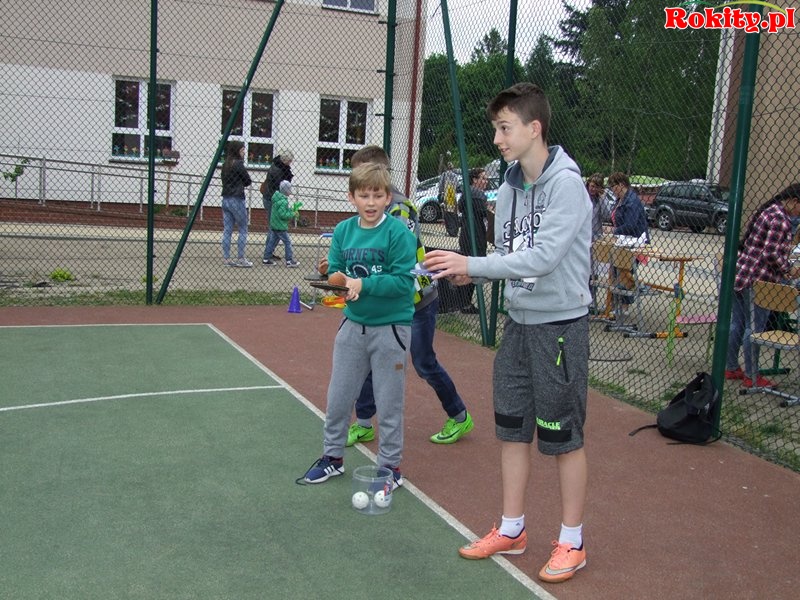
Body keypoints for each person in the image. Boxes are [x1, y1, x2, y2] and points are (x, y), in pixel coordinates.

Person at [424, 82, 592, 584]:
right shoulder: (511, 185)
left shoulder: (567, 185)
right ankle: (513, 529)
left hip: (559, 327)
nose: (497, 139)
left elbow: (544, 257)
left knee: (562, 437)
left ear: (533, 128)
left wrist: (473, 263)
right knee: (512, 428)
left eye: (504, 128)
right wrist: (473, 273)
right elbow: (512, 253)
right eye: (496, 129)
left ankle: (573, 541)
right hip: (519, 325)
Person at [320, 145, 475, 446]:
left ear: (380, 173)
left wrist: (361, 279)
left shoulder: (400, 210)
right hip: (380, 301)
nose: (359, 183)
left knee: (423, 362)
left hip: (415, 298)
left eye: (360, 172)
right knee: (368, 359)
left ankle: (459, 415)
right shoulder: (363, 214)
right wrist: (339, 271)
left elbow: (397, 266)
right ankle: (364, 422)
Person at [300, 163, 417, 488]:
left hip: (391, 329)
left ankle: (390, 468)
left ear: (388, 197)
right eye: (364, 195)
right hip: (353, 327)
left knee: (389, 403)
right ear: (351, 197)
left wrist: (362, 285)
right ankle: (332, 458)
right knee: (338, 397)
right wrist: (334, 279)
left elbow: (403, 283)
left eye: (377, 195)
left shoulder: (398, 234)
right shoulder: (342, 231)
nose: (370, 202)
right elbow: (337, 271)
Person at [725, 183, 800, 388]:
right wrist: (789, 269)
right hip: (759, 281)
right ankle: (752, 375)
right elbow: (771, 253)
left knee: (737, 323)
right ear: (794, 201)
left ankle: (731, 366)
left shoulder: (769, 211)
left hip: (742, 274)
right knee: (755, 329)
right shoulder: (781, 220)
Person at [457, 167, 490, 314]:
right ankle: (465, 303)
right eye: (482, 178)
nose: (485, 181)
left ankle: (464, 302)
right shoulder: (476, 194)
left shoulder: (467, 193)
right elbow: (485, 212)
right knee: (472, 269)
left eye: (486, 178)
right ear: (474, 180)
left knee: (468, 268)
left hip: (467, 235)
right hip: (475, 237)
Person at [220, 140, 253, 268]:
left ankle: (226, 258)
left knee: (227, 229)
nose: (244, 152)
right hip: (237, 198)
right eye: (242, 150)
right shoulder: (238, 164)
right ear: (237, 151)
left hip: (226, 198)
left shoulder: (225, 164)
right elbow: (247, 180)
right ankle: (241, 258)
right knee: (243, 228)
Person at [262, 150, 294, 260]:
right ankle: (268, 253)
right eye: (289, 161)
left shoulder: (277, 166)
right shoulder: (278, 171)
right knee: (274, 227)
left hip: (270, 197)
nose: (290, 163)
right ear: (285, 160)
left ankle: (269, 252)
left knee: (274, 227)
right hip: (272, 199)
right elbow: (279, 187)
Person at [262, 180, 300, 268]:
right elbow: (283, 215)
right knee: (287, 242)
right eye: (289, 189)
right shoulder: (283, 201)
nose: (290, 191)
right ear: (286, 191)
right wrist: (293, 214)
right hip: (280, 226)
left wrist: (290, 210)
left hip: (275, 225)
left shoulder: (277, 198)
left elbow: (281, 211)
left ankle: (266, 259)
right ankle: (289, 261)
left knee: (272, 242)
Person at [608, 172, 649, 243]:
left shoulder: (632, 200)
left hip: (636, 241)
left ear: (621, 184)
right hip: (624, 239)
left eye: (612, 186)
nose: (611, 189)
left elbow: (630, 225)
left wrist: (613, 230)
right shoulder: (619, 199)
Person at [586, 173, 608, 241]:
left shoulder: (600, 198)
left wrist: (602, 199)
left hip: (596, 237)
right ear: (588, 184)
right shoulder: (583, 196)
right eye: (592, 186)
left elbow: (607, 216)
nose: (594, 189)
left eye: (597, 187)